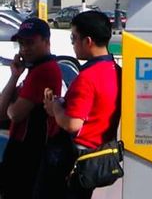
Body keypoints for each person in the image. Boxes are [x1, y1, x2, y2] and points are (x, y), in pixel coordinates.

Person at [35, 11, 121, 199]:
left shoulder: (89, 77)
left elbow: (73, 124)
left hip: (72, 157)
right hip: (98, 153)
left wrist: (55, 107)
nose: (72, 43)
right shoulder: (115, 70)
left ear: (87, 41)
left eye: (73, 38)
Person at [0, 18, 62, 199]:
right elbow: (2, 112)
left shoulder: (44, 70)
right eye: (21, 43)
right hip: (20, 147)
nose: (25, 48)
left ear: (46, 42)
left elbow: (15, 114)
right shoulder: (32, 70)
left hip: (30, 150)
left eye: (30, 43)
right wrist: (14, 77)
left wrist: (13, 105)